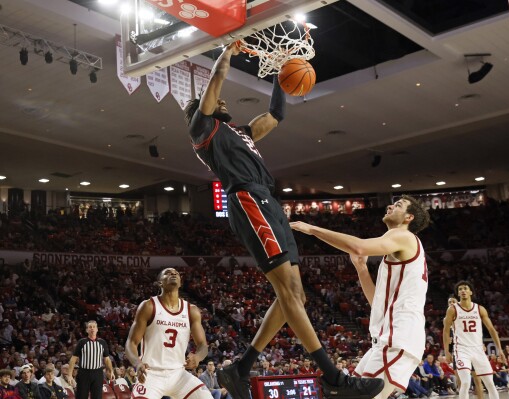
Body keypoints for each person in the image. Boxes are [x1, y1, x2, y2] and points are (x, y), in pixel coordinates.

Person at [184, 42, 383, 399]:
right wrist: (228, 48)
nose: (225, 103)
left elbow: (276, 114)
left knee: (297, 295)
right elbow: (217, 78)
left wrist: (280, 73)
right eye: (219, 103)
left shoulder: (242, 131)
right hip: (247, 199)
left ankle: (240, 369)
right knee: (289, 291)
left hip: (268, 200)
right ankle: (333, 377)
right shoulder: (203, 129)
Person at [291, 195, 431, 399]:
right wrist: (361, 268)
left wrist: (312, 230)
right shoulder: (397, 247)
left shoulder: (404, 237)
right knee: (348, 395)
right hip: (387, 338)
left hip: (399, 336)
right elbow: (377, 303)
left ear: (409, 217)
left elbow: (359, 246)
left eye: (398, 205)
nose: (390, 205)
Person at [124, 268, 212, 399]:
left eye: (176, 273)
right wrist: (138, 364)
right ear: (160, 283)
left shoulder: (191, 310)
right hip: (151, 373)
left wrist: (198, 357)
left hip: (179, 374)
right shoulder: (148, 306)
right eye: (168, 273)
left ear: (181, 283)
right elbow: (131, 343)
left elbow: (203, 345)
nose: (173, 274)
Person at [442, 281, 504, 399]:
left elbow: (491, 329)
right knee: (465, 382)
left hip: (478, 349)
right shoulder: (452, 309)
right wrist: (446, 351)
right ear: (458, 293)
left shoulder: (480, 309)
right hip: (461, 349)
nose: (463, 291)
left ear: (470, 292)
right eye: (460, 289)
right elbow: (445, 331)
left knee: (490, 384)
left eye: (465, 288)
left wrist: (500, 349)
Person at [65, 320, 113, 399]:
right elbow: (73, 359)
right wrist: (70, 375)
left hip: (98, 373)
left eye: (94, 327)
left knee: (97, 397)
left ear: (97, 329)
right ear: (87, 330)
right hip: (84, 373)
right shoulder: (82, 342)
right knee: (81, 396)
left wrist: (111, 371)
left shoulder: (102, 342)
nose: (92, 329)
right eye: (90, 327)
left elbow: (107, 359)